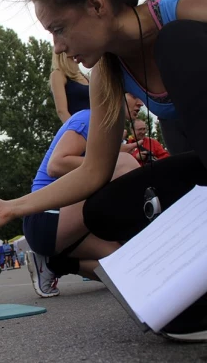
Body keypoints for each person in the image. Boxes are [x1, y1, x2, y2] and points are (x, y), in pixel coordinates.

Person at [0, 0, 207, 341]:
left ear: (97, 5)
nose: (58, 46)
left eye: (59, 29)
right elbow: (94, 171)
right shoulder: (107, 75)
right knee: (106, 208)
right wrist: (13, 207)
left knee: (179, 44)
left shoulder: (186, 6)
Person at [23, 93, 141, 298]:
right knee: (125, 164)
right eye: (134, 95)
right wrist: (107, 164)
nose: (140, 102)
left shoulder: (109, 130)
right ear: (114, 91)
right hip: (46, 217)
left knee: (131, 269)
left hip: (63, 226)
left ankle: (54, 264)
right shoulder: (89, 118)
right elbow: (57, 164)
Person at [50, 52, 90, 123]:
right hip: (79, 127)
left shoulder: (86, 77)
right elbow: (62, 111)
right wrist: (77, 130)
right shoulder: (58, 75)